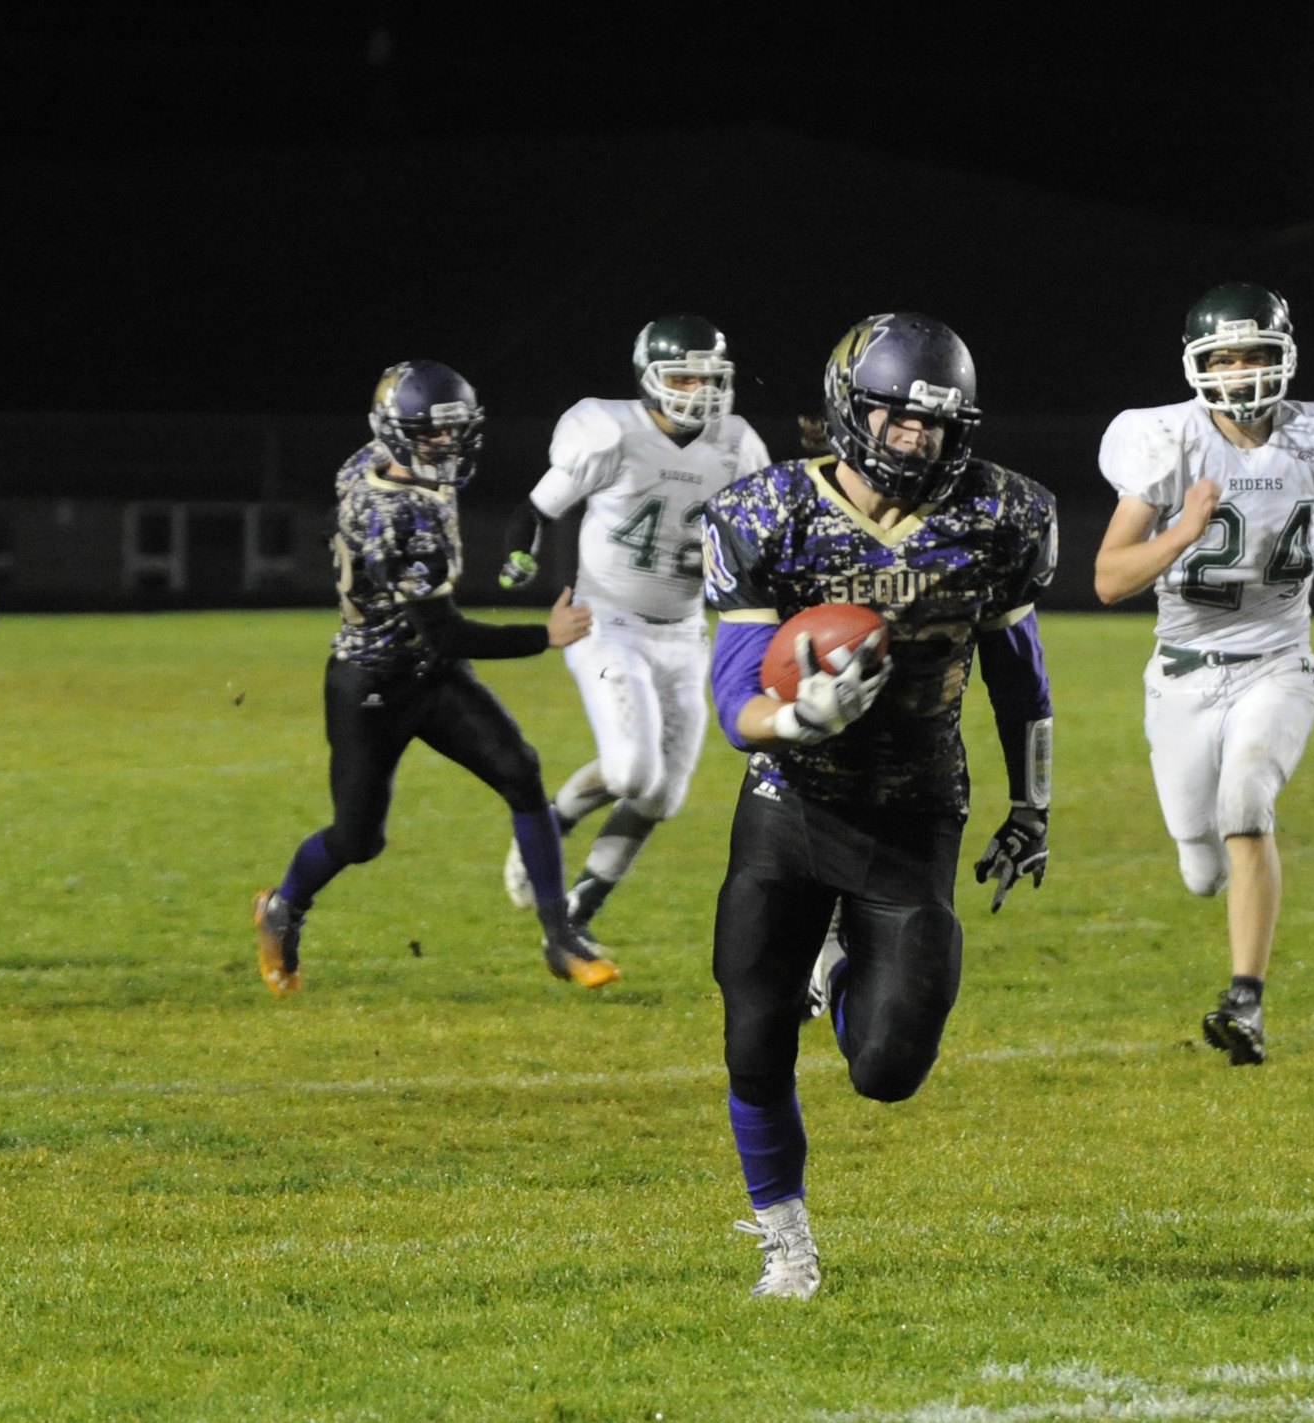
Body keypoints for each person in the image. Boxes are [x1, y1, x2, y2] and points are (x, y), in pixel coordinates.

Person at [701, 312, 1058, 1298]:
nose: (917, 439)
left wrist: (1033, 803)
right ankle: (784, 1241)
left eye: (936, 425)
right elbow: (733, 696)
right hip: (788, 801)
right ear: (848, 409)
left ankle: (845, 953)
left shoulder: (1002, 515)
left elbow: (1018, 678)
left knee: (886, 1068)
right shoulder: (764, 510)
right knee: (754, 1033)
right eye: (896, 419)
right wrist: (793, 714)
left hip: (912, 809)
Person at [1094, 281, 1314, 1066]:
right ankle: (1210, 869)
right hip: (1180, 677)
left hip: (1279, 665)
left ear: (1285, 358)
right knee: (1199, 865)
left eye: (1257, 355)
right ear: (1198, 364)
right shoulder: (1168, 442)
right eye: (1227, 357)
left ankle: (1245, 999)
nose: (1243, 373)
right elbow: (1109, 578)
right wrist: (1182, 532)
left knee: (1247, 798)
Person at [250, 360, 617, 995]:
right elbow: (445, 631)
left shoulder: (370, 462)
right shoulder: (396, 514)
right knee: (357, 838)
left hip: (432, 675)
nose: (446, 446)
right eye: (432, 436)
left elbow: (436, 643)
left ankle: (561, 937)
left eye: (454, 432)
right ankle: (281, 908)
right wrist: (544, 637)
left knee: (520, 772)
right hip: (371, 684)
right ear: (396, 436)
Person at [494, 314, 772, 948]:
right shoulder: (611, 432)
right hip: (606, 621)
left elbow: (764, 532)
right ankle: (547, 824)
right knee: (628, 772)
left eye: (709, 378)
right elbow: (535, 509)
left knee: (661, 798)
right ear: (650, 379)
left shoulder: (737, 443)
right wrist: (520, 555)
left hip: (684, 630)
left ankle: (581, 912)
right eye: (683, 376)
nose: (699, 392)